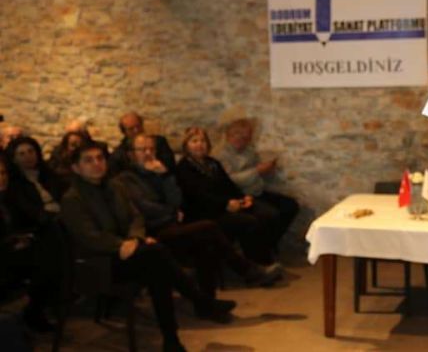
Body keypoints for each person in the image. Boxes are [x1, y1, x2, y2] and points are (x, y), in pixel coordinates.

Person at [61, 141, 236, 352]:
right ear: (76, 168)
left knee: (157, 268)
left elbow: (136, 217)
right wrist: (122, 244)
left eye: (100, 158)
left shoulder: (115, 186)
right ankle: (199, 304)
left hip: (130, 251)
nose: (97, 163)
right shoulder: (72, 198)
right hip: (100, 262)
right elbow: (89, 237)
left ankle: (172, 339)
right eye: (88, 160)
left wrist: (135, 239)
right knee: (157, 256)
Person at [119, 134, 279, 291]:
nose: (148, 153)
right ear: (131, 154)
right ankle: (250, 272)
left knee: (210, 238)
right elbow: (145, 206)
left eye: (152, 149)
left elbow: (176, 199)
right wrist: (172, 211)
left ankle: (215, 293)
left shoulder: (162, 172)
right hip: (155, 228)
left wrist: (165, 176)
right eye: (142, 150)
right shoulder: (127, 178)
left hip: (175, 222)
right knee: (209, 227)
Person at [175, 127, 282, 274]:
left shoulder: (212, 163)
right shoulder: (184, 168)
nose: (199, 144)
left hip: (224, 205)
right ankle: (257, 267)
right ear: (186, 145)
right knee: (248, 221)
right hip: (204, 212)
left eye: (203, 141)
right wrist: (225, 204)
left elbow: (228, 185)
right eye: (194, 141)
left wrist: (242, 197)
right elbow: (198, 196)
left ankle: (265, 260)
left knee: (266, 214)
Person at [217, 118, 299, 256]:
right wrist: (257, 171)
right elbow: (230, 180)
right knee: (269, 215)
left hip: (256, 191)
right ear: (229, 135)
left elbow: (257, 170)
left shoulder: (249, 151)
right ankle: (260, 251)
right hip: (241, 195)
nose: (244, 139)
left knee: (290, 206)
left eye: (247, 136)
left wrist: (267, 168)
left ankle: (269, 243)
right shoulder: (222, 155)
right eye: (239, 135)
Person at [0, 155, 61, 333]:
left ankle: (36, 310)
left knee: (49, 249)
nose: (1, 178)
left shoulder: (7, 199)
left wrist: (22, 238)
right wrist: (11, 244)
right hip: (4, 257)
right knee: (43, 262)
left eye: (3, 173)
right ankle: (32, 313)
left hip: (11, 251)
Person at [5, 136, 65, 207]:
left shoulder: (48, 174)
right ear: (14, 159)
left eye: (31, 151)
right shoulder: (14, 185)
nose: (28, 156)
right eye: (22, 154)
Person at [109, 112, 175, 175]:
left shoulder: (159, 142)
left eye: (138, 126)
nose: (136, 130)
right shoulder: (118, 155)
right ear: (124, 132)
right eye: (131, 129)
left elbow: (171, 166)